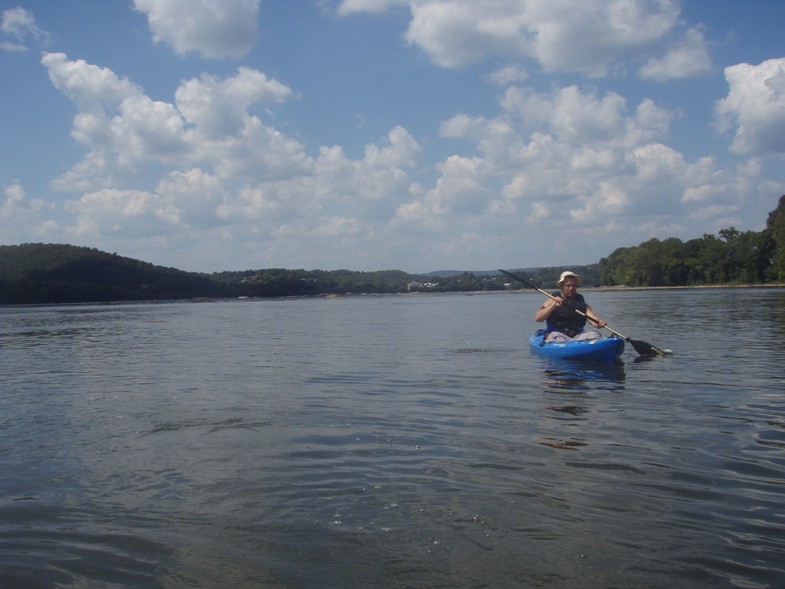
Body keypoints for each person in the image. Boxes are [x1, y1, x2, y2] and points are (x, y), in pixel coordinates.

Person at [534, 271, 607, 342]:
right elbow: (538, 318)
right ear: (561, 286)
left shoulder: (581, 303)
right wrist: (553, 306)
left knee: (595, 335)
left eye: (573, 285)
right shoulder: (552, 300)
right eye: (568, 285)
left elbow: (594, 320)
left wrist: (600, 322)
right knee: (559, 338)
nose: (571, 288)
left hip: (578, 335)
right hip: (558, 334)